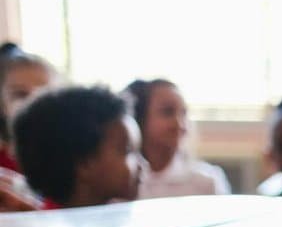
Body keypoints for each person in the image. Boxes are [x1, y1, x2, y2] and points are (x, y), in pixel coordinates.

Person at [12, 86, 140, 208]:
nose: (142, 164)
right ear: (85, 163)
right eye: (128, 152)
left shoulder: (113, 219)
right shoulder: (43, 226)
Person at [123, 78, 231, 199]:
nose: (180, 124)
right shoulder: (123, 182)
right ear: (139, 117)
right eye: (167, 112)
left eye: (183, 113)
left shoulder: (207, 182)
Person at [0, 47, 57, 173]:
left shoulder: (70, 160)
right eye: (20, 94)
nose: (32, 101)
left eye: (43, 93)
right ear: (3, 104)